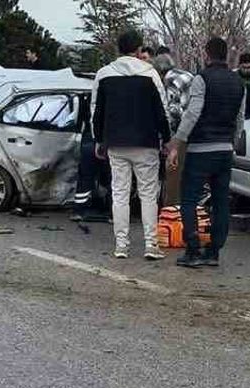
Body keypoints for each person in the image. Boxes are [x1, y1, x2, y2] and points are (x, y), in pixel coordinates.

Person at [93, 29, 171, 260]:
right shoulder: (150, 73)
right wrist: (166, 139)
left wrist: (99, 139)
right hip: (146, 143)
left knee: (119, 194)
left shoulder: (104, 74)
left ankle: (121, 246)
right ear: (139, 50)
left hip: (116, 143)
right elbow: (162, 111)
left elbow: (96, 111)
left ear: (118, 48)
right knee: (148, 194)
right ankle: (150, 244)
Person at [167, 36, 245, 268]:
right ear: (226, 56)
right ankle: (213, 252)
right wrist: (233, 142)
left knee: (189, 198)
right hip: (224, 150)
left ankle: (192, 250)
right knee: (221, 202)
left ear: (206, 55)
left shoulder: (202, 79)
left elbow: (193, 113)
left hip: (201, 149)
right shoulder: (238, 81)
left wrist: (177, 142)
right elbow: (240, 118)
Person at [152, 52, 194, 205]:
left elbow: (174, 111)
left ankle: (171, 215)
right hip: (196, 132)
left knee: (173, 176)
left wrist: (168, 140)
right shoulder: (187, 75)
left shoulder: (170, 80)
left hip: (182, 134)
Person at [73, 92, 111, 223]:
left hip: (90, 139)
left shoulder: (87, 98)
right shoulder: (113, 97)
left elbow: (80, 121)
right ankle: (111, 211)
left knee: (85, 177)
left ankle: (79, 210)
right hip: (108, 141)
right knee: (112, 178)